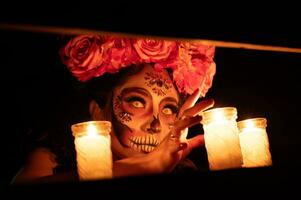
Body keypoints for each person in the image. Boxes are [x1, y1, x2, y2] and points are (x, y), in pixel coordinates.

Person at [12, 35, 216, 183]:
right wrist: (147, 166)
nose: (155, 125)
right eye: (137, 102)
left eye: (168, 109)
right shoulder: (52, 160)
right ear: (96, 111)